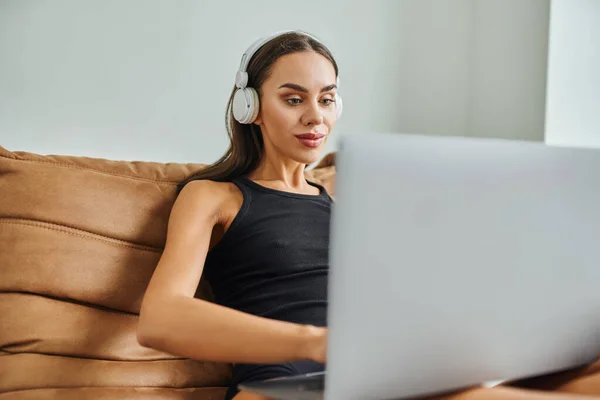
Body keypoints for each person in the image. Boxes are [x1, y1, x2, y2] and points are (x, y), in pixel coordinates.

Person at [136, 30, 342, 400]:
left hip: (370, 378)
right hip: (281, 384)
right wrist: (315, 342)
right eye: (294, 99)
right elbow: (159, 318)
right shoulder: (213, 197)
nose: (316, 117)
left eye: (327, 100)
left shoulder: (346, 201)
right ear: (251, 107)